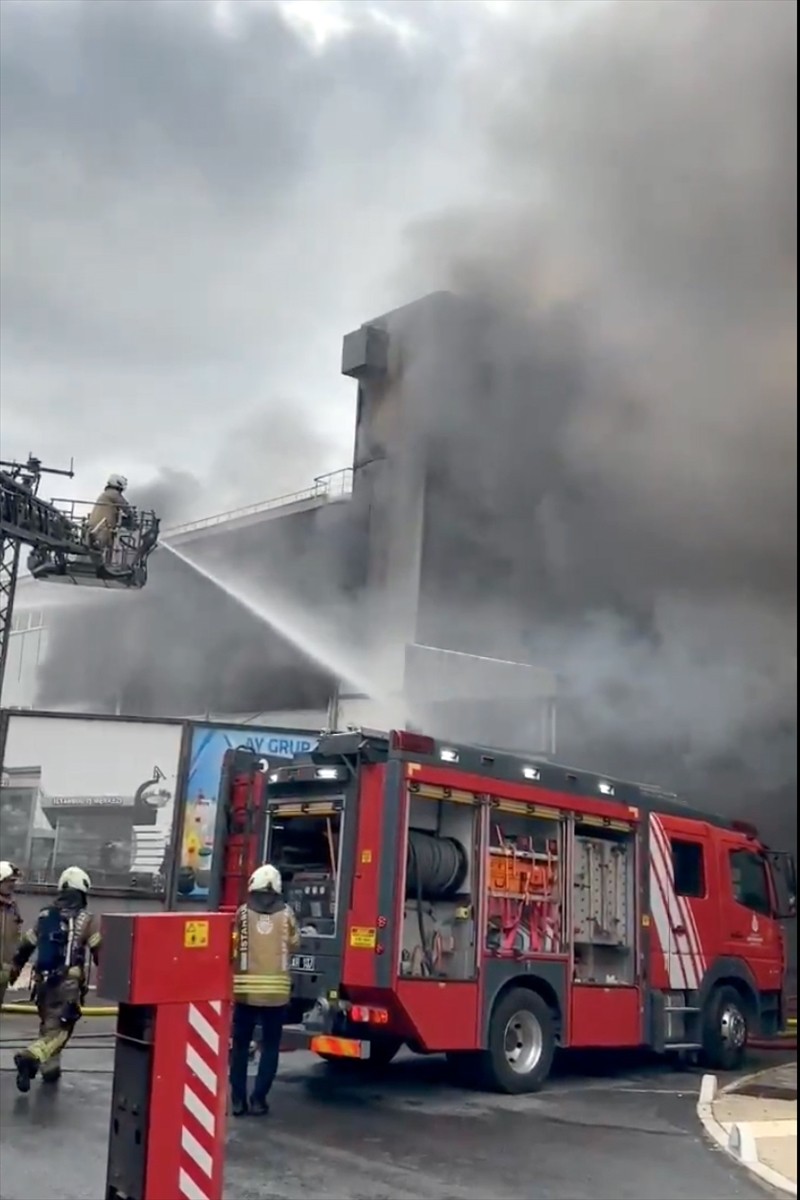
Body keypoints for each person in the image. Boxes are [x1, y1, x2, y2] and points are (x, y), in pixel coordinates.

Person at [9, 865, 102, 1092]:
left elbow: (25, 947)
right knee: (61, 1031)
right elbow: (101, 952)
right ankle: (30, 1056)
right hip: (67, 986)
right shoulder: (86, 920)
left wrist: (14, 969)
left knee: (49, 1025)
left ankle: (50, 1070)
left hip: (42, 985)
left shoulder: (44, 916)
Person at [230, 863, 300, 1116]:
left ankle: (238, 1101)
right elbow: (295, 943)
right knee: (270, 1047)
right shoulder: (288, 915)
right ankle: (259, 1099)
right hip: (276, 996)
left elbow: (233, 946)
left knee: (239, 1046)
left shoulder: (241, 914)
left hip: (245, 993)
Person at [0, 861, 23, 1009]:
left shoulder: (12, 907)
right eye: (9, 881)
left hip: (4, 971)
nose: (12, 885)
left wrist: (15, 965)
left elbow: (16, 937)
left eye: (14, 881)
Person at [87, 473, 130, 550]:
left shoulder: (105, 494)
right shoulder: (113, 494)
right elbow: (125, 506)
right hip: (102, 528)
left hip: (96, 526)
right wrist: (131, 517)